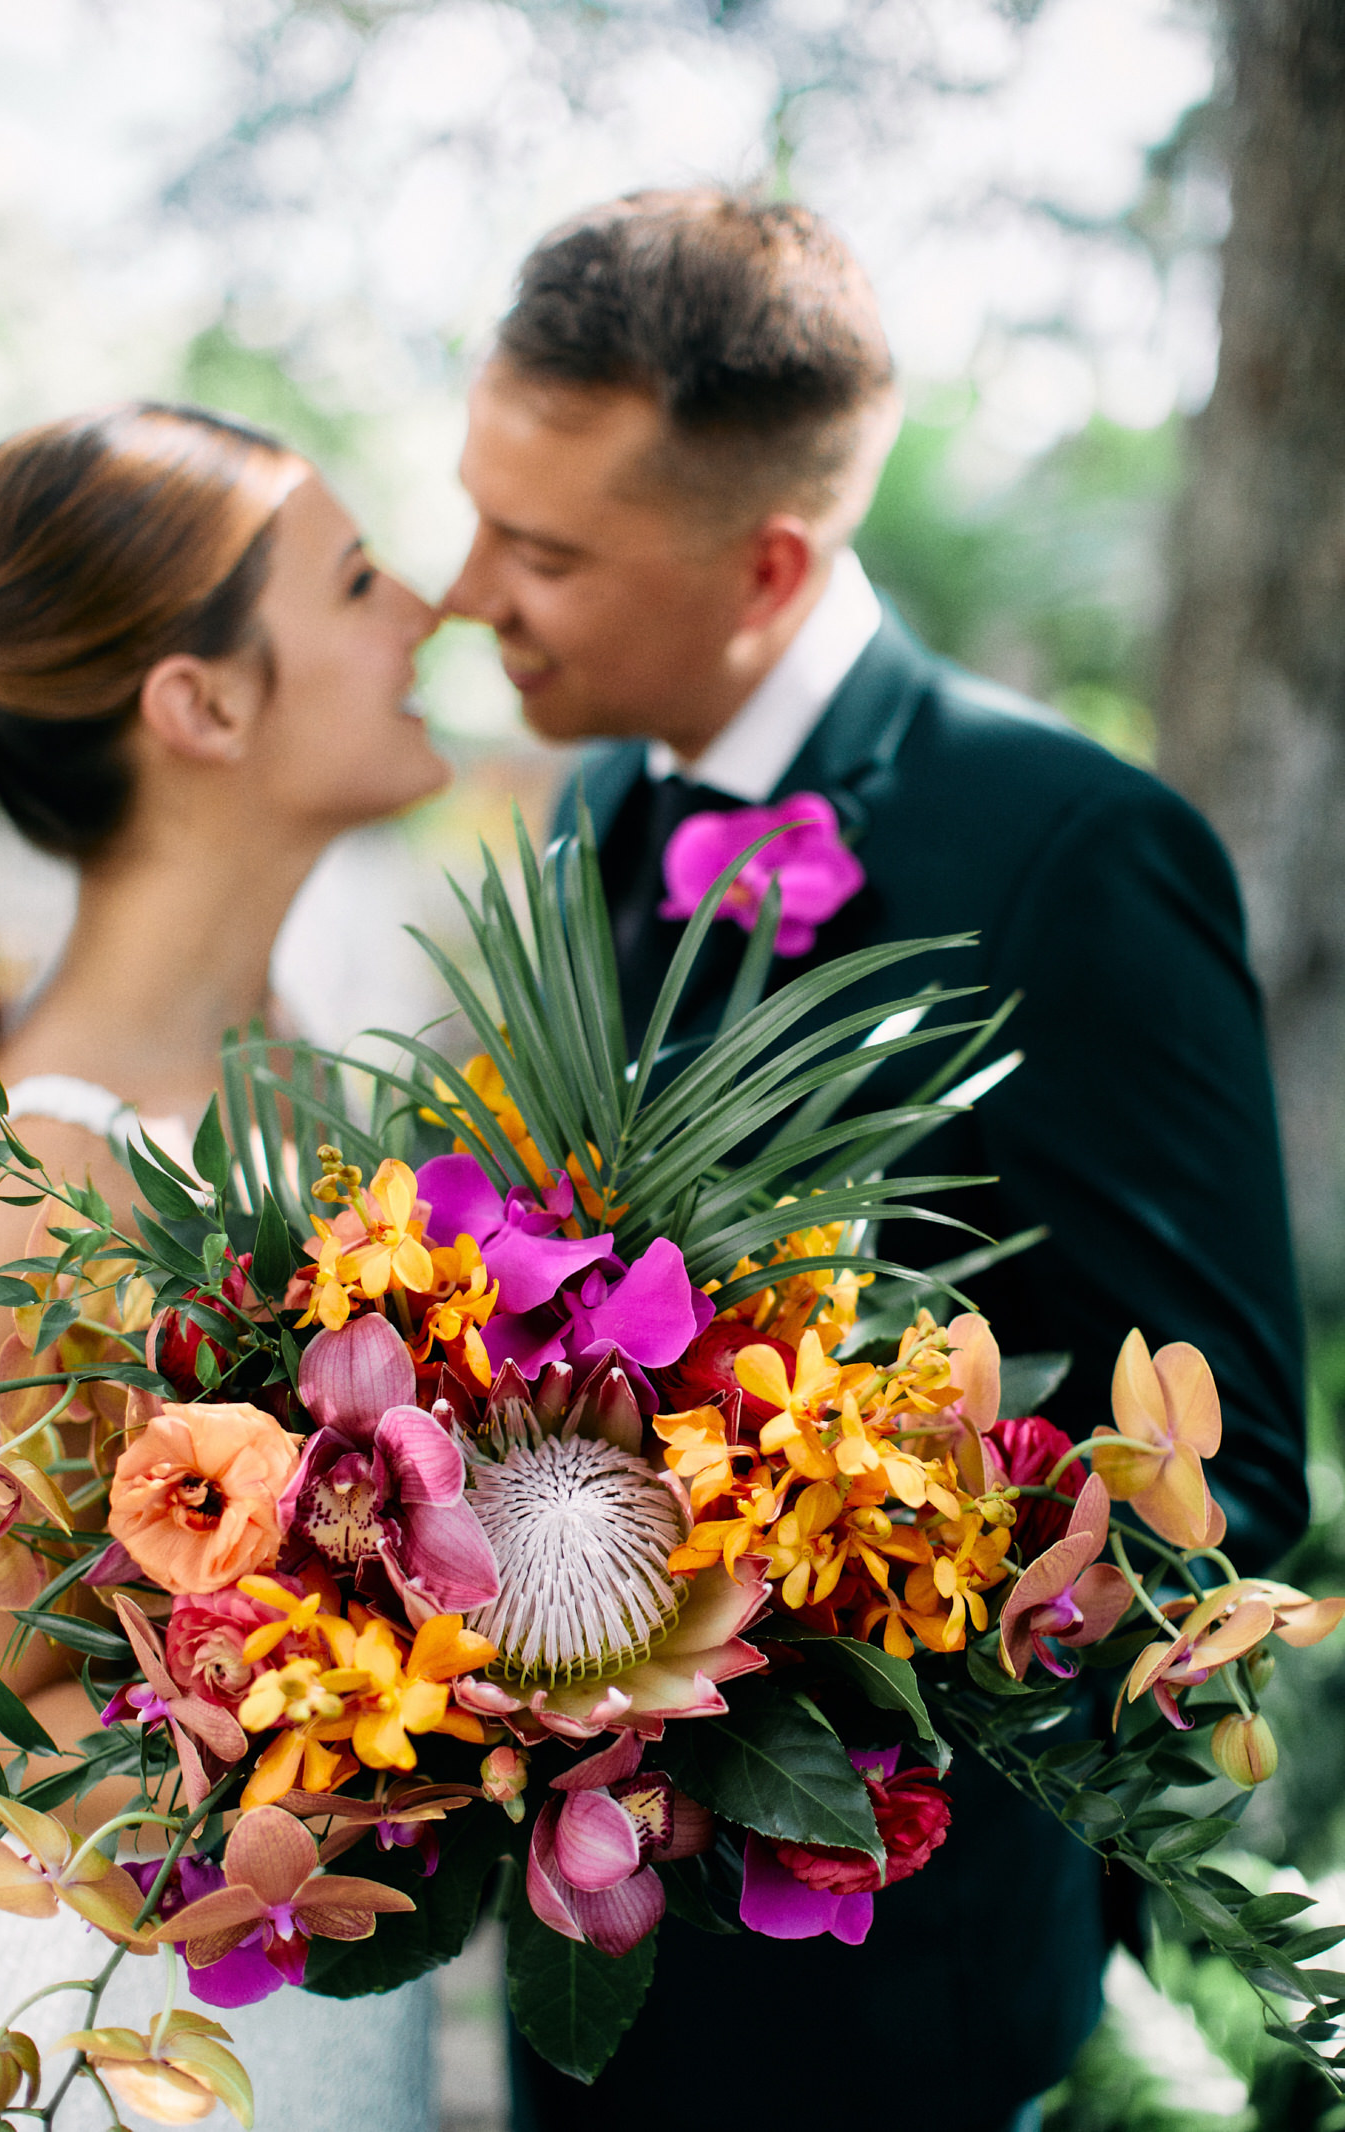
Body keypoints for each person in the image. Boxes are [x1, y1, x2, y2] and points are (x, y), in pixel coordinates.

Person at [444, 190, 1309, 2132]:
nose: (466, 590)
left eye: (544, 550)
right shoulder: (595, 801)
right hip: (589, 1972)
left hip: (899, 2017)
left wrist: (816, 1575)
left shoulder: (1072, 854)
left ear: (763, 561)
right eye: (480, 514)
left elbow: (1233, 1460)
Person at [0, 401, 445, 2131]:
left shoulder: (300, 1068)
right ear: (201, 702)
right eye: (361, 580)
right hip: (110, 2049)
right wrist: (396, 1750)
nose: (426, 611)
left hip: (309, 2010)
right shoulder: (24, 1189)